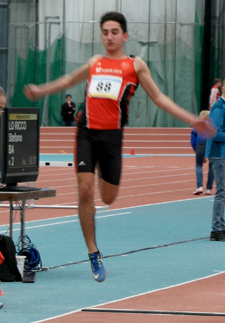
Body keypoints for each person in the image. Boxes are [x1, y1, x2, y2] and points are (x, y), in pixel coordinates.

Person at [24, 11, 215, 282]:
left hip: (112, 138)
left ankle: (101, 171)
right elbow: (68, 80)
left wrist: (192, 119)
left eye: (114, 32)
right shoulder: (95, 62)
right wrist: (41, 90)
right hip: (86, 132)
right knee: (85, 190)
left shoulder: (135, 66)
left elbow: (158, 97)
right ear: (101, 36)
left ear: (124, 36)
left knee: (109, 198)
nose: (109, 37)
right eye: (105, 32)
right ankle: (93, 252)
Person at [206, 78, 225, 241]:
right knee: (222, 191)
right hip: (219, 154)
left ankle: (220, 225)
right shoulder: (219, 107)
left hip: (222, 153)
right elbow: (216, 133)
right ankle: (217, 229)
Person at [191, 110, 214, 195]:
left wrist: (197, 152)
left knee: (198, 165)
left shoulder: (197, 126)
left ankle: (199, 187)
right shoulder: (213, 126)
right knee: (212, 167)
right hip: (211, 144)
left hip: (200, 144)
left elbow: (193, 141)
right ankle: (208, 189)